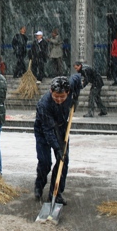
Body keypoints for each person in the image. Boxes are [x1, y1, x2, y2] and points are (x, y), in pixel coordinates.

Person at [33, 75, 82, 205]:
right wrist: (57, 148)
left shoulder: (71, 87)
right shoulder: (44, 104)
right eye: (56, 96)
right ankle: (39, 185)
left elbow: (77, 77)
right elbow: (48, 130)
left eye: (62, 97)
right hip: (43, 130)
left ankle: (56, 193)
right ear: (50, 91)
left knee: (63, 161)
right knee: (45, 162)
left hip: (61, 128)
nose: (59, 100)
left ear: (68, 92)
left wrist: (76, 95)